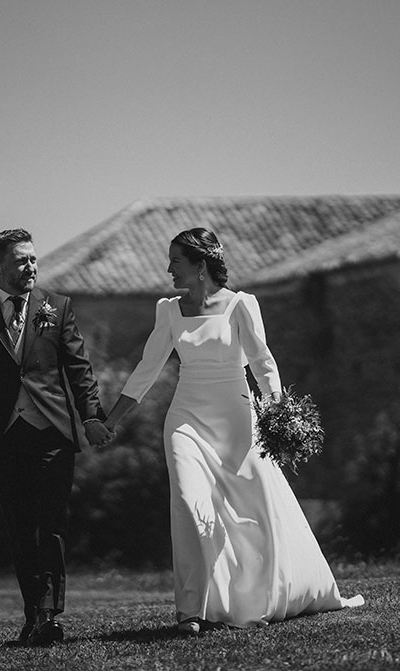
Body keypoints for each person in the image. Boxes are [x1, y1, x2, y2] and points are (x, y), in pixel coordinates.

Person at [103, 227, 364, 633]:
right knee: (190, 503)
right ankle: (191, 609)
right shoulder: (169, 310)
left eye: (176, 260)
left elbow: (263, 362)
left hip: (239, 418)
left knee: (253, 507)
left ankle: (262, 592)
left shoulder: (242, 305)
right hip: (186, 419)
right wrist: (112, 420)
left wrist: (276, 414)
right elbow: (146, 369)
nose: (168, 268)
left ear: (200, 265)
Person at [0, 228, 112, 646]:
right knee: (21, 527)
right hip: (3, 435)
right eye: (21, 260)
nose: (31, 267)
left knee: (51, 524)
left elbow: (79, 368)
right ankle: (32, 614)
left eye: (34, 259)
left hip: (52, 432)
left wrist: (91, 416)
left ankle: (49, 615)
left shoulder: (58, 307)